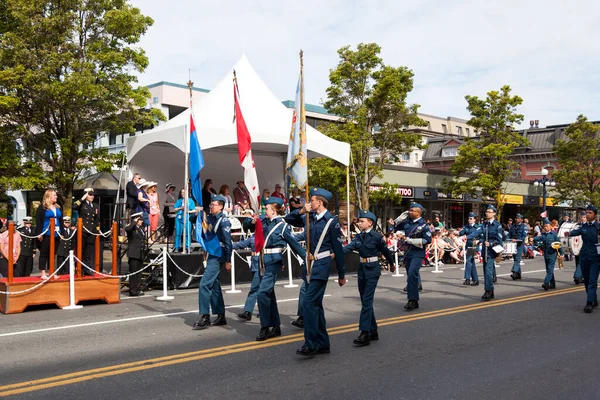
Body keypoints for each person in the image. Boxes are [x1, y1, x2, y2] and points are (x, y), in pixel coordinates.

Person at [286, 187, 346, 357]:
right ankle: (323, 343)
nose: (309, 202)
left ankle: (311, 343)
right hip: (310, 265)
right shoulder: (309, 217)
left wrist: (342, 274)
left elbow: (338, 250)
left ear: (319, 202)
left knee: (309, 303)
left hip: (322, 266)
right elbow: (288, 219)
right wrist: (300, 211)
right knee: (316, 306)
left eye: (311, 200)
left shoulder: (331, 222)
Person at [254, 197, 306, 342]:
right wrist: (252, 220)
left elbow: (293, 244)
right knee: (269, 294)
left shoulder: (282, 226)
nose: (265, 210)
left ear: (274, 210)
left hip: (274, 262)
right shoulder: (264, 222)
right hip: (262, 261)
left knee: (263, 293)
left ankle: (265, 327)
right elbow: (248, 225)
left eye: (267, 208)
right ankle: (275, 326)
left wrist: (306, 259)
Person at [343, 209, 395, 347]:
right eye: (359, 221)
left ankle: (365, 333)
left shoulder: (377, 237)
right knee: (365, 301)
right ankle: (373, 330)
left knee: (366, 301)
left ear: (370, 223)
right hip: (362, 270)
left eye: (362, 221)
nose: (359, 223)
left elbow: (386, 251)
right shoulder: (359, 237)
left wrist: (391, 264)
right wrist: (334, 253)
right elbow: (349, 248)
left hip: (373, 270)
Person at [193, 195, 232, 329]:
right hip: (211, 254)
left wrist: (228, 260)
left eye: (213, 205)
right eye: (210, 204)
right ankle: (221, 315)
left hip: (218, 255)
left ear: (221, 206)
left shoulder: (224, 221)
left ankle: (205, 316)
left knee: (204, 284)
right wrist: (198, 212)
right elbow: (197, 221)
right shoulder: (210, 218)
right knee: (214, 285)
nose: (211, 206)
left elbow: (228, 242)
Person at [394, 203, 432, 311]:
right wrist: (399, 218)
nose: (409, 212)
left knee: (412, 273)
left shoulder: (423, 225)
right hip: (408, 253)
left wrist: (411, 241)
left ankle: (412, 299)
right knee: (410, 276)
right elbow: (394, 227)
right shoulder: (407, 223)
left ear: (418, 213)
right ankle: (413, 300)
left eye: (412, 210)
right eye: (409, 210)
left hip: (417, 253)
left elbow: (427, 240)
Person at [564, 204, 600, 313]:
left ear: (595, 215)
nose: (587, 215)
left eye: (590, 213)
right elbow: (577, 231)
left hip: (595, 257)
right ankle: (593, 299)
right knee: (587, 280)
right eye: (586, 213)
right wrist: (569, 233)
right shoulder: (584, 226)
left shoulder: (598, 227)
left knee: (593, 280)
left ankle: (589, 303)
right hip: (584, 256)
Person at [467, 205, 503, 301]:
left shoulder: (497, 225)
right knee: (486, 271)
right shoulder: (484, 224)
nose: (487, 213)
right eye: (487, 212)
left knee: (488, 271)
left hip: (492, 251)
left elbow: (499, 240)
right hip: (484, 250)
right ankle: (490, 290)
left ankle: (488, 290)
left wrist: (490, 243)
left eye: (489, 212)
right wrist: (467, 237)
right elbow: (477, 232)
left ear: (494, 213)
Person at [233, 218, 261, 321]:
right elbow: (240, 244)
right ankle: (261, 310)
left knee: (255, 288)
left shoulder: (263, 237)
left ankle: (248, 311)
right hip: (255, 264)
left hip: (262, 263)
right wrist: (227, 245)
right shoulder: (253, 237)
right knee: (259, 288)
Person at [36, 189, 63, 280]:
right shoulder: (42, 207)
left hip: (56, 233)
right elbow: (38, 221)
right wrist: (39, 234)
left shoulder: (58, 207)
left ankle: (51, 271)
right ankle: (43, 272)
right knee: (44, 253)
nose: (56, 197)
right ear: (49, 196)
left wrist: (61, 233)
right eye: (54, 195)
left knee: (53, 253)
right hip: (46, 233)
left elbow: (61, 221)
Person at [73, 187, 100, 276]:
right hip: (83, 230)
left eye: (93, 195)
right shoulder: (82, 204)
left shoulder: (95, 205)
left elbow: (96, 219)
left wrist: (96, 231)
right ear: (86, 195)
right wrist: (82, 198)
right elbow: (74, 206)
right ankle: (80, 269)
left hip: (91, 231)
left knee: (89, 251)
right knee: (82, 250)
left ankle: (87, 269)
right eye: (90, 194)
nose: (92, 196)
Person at [532, 219, 563, 291]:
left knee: (549, 270)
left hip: (553, 254)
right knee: (549, 270)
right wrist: (532, 239)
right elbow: (537, 238)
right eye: (544, 226)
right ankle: (553, 284)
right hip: (546, 254)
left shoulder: (554, 235)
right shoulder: (544, 235)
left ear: (550, 227)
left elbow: (559, 244)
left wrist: (561, 254)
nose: (545, 227)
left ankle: (546, 283)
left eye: (547, 226)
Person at [125, 212, 147, 296]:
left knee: (139, 273)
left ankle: (137, 289)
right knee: (133, 273)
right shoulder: (131, 228)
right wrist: (134, 222)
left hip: (140, 254)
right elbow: (128, 229)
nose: (141, 221)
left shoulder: (140, 229)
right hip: (133, 254)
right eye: (139, 219)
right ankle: (132, 290)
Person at [173, 188, 198, 253]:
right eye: (182, 192)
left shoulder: (190, 201)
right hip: (179, 217)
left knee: (187, 233)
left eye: (184, 192)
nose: (183, 194)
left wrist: (188, 211)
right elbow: (174, 209)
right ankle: (177, 247)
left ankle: (187, 247)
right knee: (178, 233)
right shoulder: (179, 201)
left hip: (187, 218)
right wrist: (180, 208)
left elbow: (194, 210)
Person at [459, 212, 480, 286]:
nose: (469, 220)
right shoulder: (466, 226)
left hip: (474, 246)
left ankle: (467, 279)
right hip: (468, 246)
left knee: (468, 261)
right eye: (468, 218)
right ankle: (475, 280)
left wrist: (479, 241)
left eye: (471, 219)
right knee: (471, 263)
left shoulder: (477, 227)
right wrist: (459, 232)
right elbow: (461, 233)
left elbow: (481, 236)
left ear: (474, 219)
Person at [509, 213, 527, 280]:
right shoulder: (513, 226)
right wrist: (508, 239)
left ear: (521, 220)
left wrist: (517, 240)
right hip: (513, 244)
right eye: (516, 218)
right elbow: (509, 234)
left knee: (517, 259)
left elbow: (523, 236)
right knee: (515, 259)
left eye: (518, 218)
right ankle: (518, 274)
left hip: (519, 244)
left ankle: (514, 272)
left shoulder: (523, 226)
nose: (516, 219)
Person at [573, 211, 585, 285]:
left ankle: (581, 277)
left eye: (584, 217)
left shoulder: (578, 226)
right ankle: (577, 276)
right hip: (579, 247)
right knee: (580, 263)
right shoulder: (578, 226)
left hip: (579, 247)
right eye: (582, 217)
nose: (582, 219)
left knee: (580, 263)